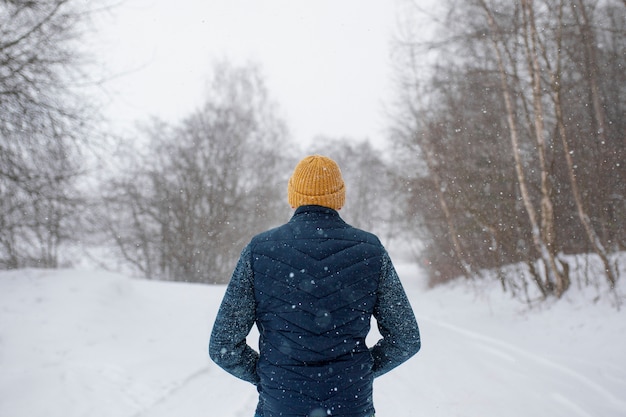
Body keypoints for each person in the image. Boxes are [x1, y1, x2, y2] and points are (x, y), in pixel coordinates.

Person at [209, 155, 421, 417]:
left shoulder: (260, 250)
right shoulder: (369, 250)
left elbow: (223, 346)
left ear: (293, 195)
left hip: (281, 405)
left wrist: (271, 376)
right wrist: (358, 372)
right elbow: (406, 339)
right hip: (350, 405)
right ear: (339, 197)